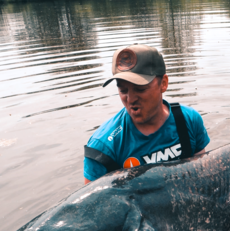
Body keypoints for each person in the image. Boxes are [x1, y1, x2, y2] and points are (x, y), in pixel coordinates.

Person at [83, 44, 210, 184]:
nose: (130, 100)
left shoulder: (189, 121)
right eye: (123, 90)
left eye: (140, 89)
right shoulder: (102, 148)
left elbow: (202, 178)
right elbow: (92, 204)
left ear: (163, 84)